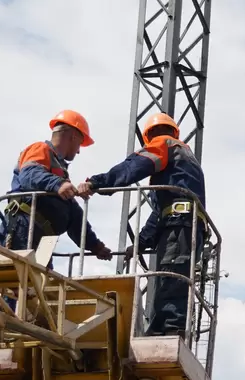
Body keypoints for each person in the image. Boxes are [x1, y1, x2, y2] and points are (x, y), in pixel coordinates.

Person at [78, 113, 206, 337]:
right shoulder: (182, 163)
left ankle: (169, 331)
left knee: (171, 274)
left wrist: (97, 182)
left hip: (180, 225)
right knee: (171, 274)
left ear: (149, 136)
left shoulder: (165, 145)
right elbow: (161, 212)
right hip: (182, 224)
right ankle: (161, 328)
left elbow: (133, 167)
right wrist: (139, 243)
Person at [0, 110, 113, 311]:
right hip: (23, 226)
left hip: (40, 235)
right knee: (17, 284)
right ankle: (8, 323)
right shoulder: (40, 149)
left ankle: (24, 325)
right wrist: (57, 183)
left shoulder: (59, 169)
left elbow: (73, 215)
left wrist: (94, 245)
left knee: (37, 288)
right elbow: (29, 174)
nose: (78, 151)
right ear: (73, 136)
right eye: (79, 144)